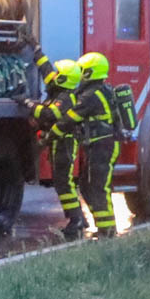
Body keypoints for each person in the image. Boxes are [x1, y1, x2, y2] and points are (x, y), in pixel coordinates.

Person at [31, 56, 86, 239]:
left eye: (58, 73)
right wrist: (37, 52)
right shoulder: (61, 90)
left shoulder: (66, 98)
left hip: (65, 143)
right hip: (61, 142)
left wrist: (28, 104)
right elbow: (47, 71)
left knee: (63, 182)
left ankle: (76, 220)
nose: (54, 75)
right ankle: (78, 218)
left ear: (64, 78)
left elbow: (49, 114)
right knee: (63, 182)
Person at [67, 50, 119, 239]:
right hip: (99, 145)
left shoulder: (92, 95)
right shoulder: (102, 90)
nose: (79, 74)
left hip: (103, 146)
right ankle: (104, 226)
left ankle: (108, 231)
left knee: (99, 187)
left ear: (90, 72)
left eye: (82, 70)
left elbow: (71, 118)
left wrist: (51, 132)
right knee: (87, 185)